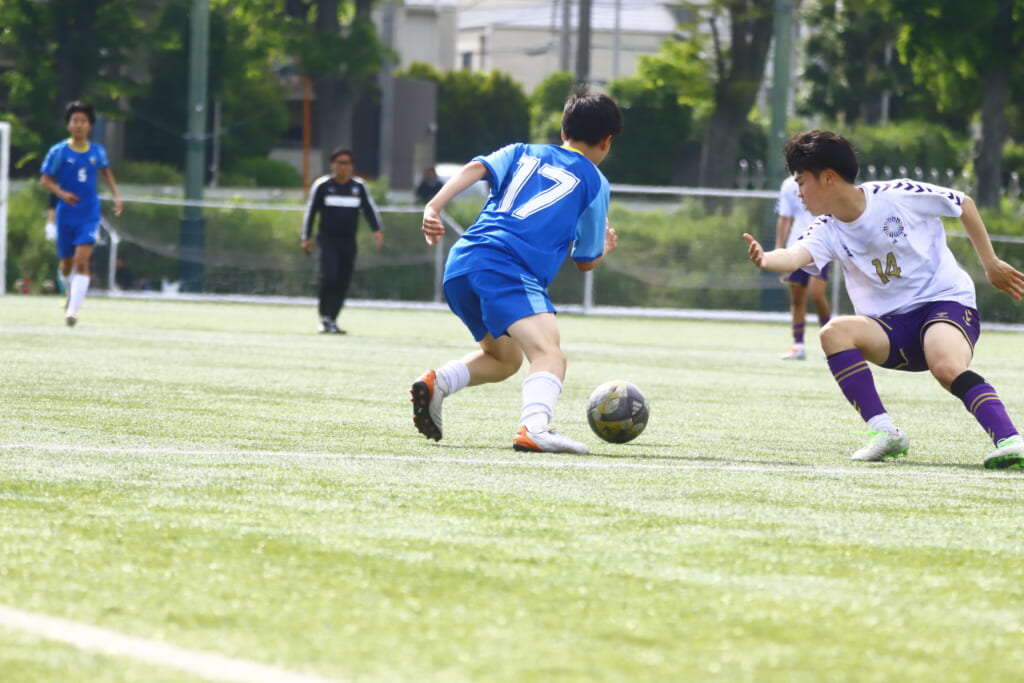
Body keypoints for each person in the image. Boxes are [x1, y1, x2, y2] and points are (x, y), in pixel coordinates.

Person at [743, 129, 1024, 469]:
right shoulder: (826, 229)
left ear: (828, 177)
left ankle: (1011, 441)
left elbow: (962, 203)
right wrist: (765, 258)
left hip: (944, 303)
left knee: (946, 367)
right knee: (834, 333)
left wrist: (990, 263)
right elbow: (793, 255)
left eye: (801, 182)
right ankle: (886, 433)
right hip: (891, 328)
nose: (798, 193)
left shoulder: (896, 195)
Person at [410, 88, 622, 454]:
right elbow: (585, 261)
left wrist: (433, 206)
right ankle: (534, 427)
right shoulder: (596, 183)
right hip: (506, 267)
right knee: (549, 355)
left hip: (462, 263)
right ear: (607, 141)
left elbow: (476, 168)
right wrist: (604, 247)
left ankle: (437, 382)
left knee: (504, 360)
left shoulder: (523, 150)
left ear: (563, 132)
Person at [40, 100, 122, 326]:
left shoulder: (97, 151)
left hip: (89, 214)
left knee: (82, 261)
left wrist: (116, 196)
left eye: (83, 121)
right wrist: (61, 194)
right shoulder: (58, 151)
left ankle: (73, 311)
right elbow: (45, 180)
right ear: (68, 124)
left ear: (90, 125)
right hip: (66, 214)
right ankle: (68, 292)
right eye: (75, 120)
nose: (78, 125)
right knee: (66, 264)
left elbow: (106, 173)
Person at [301, 147, 384, 334]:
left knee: (343, 280)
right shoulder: (322, 186)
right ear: (332, 164)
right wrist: (306, 237)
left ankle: (332, 319)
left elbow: (369, 209)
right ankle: (324, 317)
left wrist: (377, 230)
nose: (343, 167)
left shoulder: (358, 187)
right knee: (330, 276)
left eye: (347, 163)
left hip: (348, 242)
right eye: (340, 163)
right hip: (327, 241)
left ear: (352, 166)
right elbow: (311, 212)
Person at [774, 175, 830, 360]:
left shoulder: (824, 178)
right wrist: (779, 248)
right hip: (796, 246)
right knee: (797, 298)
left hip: (821, 246)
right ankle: (798, 345)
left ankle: (830, 340)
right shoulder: (788, 185)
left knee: (816, 293)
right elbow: (784, 218)